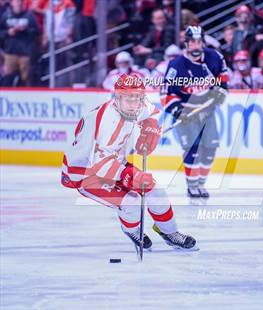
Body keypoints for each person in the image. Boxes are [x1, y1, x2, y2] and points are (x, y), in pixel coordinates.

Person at [62, 73, 197, 251]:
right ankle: (132, 229)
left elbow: (152, 111)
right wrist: (131, 176)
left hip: (113, 161)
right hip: (84, 172)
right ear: (117, 98)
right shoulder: (108, 122)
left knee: (155, 191)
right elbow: (100, 164)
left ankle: (170, 233)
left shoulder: (135, 103)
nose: (134, 104)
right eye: (128, 99)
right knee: (131, 202)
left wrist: (151, 126)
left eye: (137, 98)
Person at [161, 26, 229, 198]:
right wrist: (177, 110)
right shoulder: (176, 66)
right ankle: (192, 186)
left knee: (210, 148)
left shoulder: (215, 57)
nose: (196, 46)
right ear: (186, 44)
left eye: (199, 42)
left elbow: (223, 78)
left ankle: (201, 184)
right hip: (186, 113)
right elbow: (165, 93)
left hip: (207, 111)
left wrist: (221, 92)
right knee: (193, 149)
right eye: (192, 42)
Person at [0, 0, 39, 86]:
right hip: (10, 53)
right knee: (8, 78)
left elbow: (36, 32)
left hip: (25, 53)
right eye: (17, 2)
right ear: (12, 3)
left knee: (27, 79)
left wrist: (25, 30)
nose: (19, 4)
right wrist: (8, 32)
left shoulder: (29, 16)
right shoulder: (6, 16)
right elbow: (1, 32)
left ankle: (28, 98)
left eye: (20, 2)